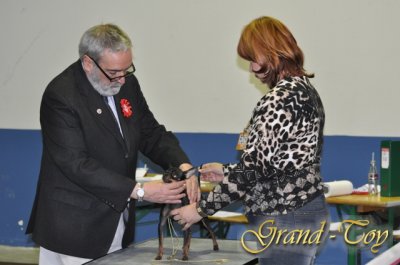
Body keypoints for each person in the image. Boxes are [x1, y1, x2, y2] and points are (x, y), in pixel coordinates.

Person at [26, 23, 199, 265]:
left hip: (115, 217)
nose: (121, 78)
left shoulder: (127, 83)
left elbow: (150, 133)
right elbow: (76, 164)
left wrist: (183, 165)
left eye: (126, 70)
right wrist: (140, 191)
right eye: (114, 72)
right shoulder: (61, 95)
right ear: (88, 63)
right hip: (73, 225)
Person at [171, 16, 329, 265]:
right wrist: (226, 172)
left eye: (254, 60)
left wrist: (200, 210)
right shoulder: (305, 90)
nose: (252, 69)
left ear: (272, 54)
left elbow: (253, 171)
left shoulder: (278, 99)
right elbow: (274, 164)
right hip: (305, 210)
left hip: (285, 217)